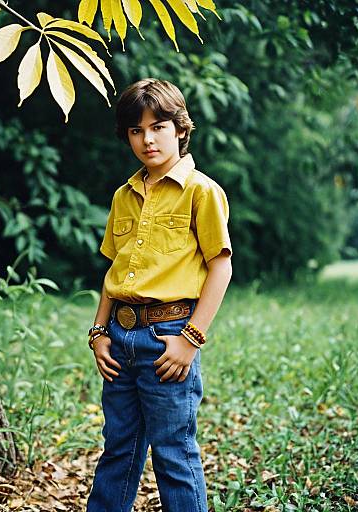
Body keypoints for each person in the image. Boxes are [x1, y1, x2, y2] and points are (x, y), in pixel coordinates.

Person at [86, 78, 233, 512]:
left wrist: (191, 339)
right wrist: (98, 332)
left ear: (180, 129)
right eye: (135, 130)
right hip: (119, 340)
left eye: (158, 126)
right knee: (118, 450)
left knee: (173, 453)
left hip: (169, 337)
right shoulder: (123, 196)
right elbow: (115, 272)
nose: (147, 139)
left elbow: (220, 266)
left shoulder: (201, 191)